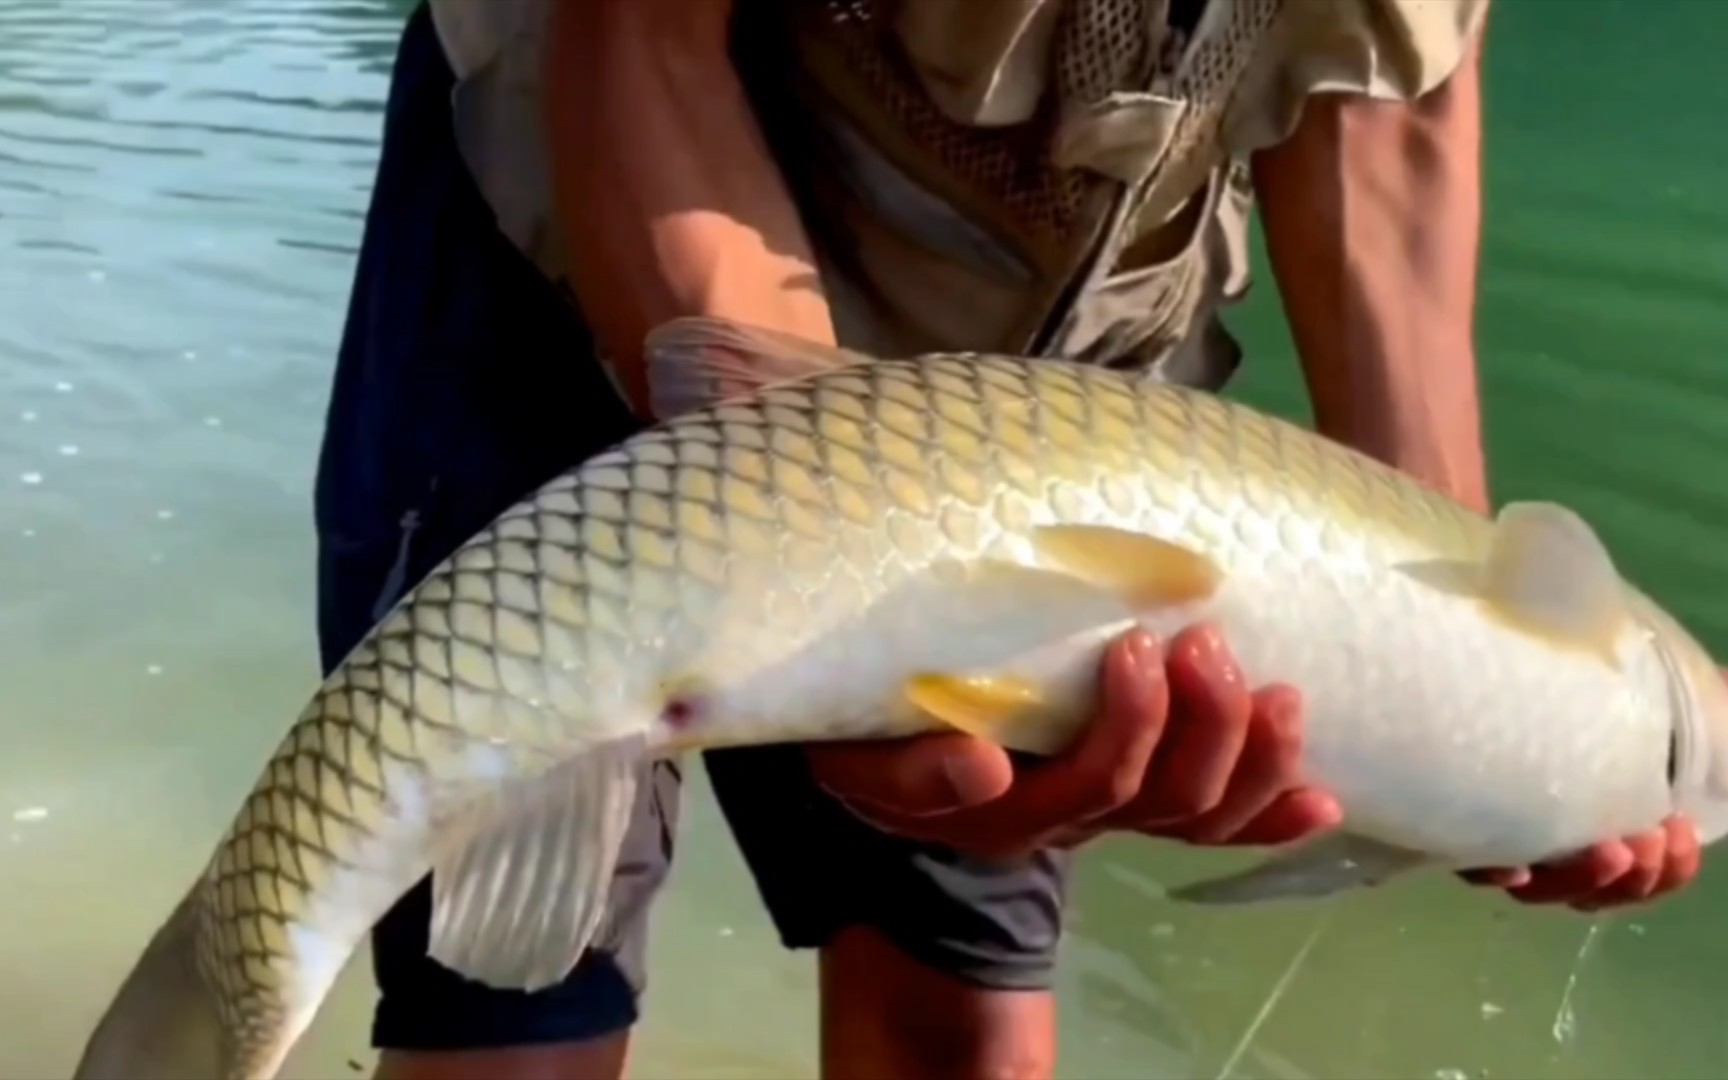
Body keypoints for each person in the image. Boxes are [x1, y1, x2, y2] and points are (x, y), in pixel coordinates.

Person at [313, 1, 1705, 1077]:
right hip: (583, 176)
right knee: (512, 1021)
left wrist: (1468, 714)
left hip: (1025, 361)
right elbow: (645, 36)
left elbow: (1390, 101)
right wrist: (823, 577)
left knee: (965, 1037)